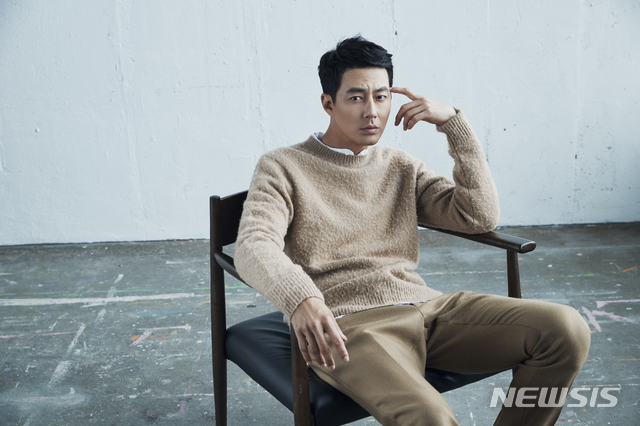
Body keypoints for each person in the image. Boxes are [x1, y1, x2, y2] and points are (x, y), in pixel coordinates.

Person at [235, 35, 591, 426]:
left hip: (428, 309)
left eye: (381, 96)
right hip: (349, 328)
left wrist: (454, 125)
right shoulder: (283, 166)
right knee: (430, 417)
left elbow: (478, 216)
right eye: (356, 97)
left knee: (566, 329)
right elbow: (253, 245)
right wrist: (301, 298)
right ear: (328, 103)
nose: (372, 111)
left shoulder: (400, 166)